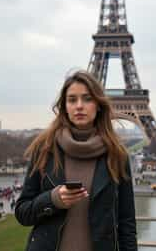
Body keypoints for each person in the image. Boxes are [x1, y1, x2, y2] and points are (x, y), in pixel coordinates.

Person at [15, 70, 137, 251]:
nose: (79, 106)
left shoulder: (117, 156)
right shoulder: (44, 149)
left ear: (98, 105)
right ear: (65, 106)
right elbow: (22, 212)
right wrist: (53, 199)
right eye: (72, 99)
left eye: (87, 99)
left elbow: (126, 223)